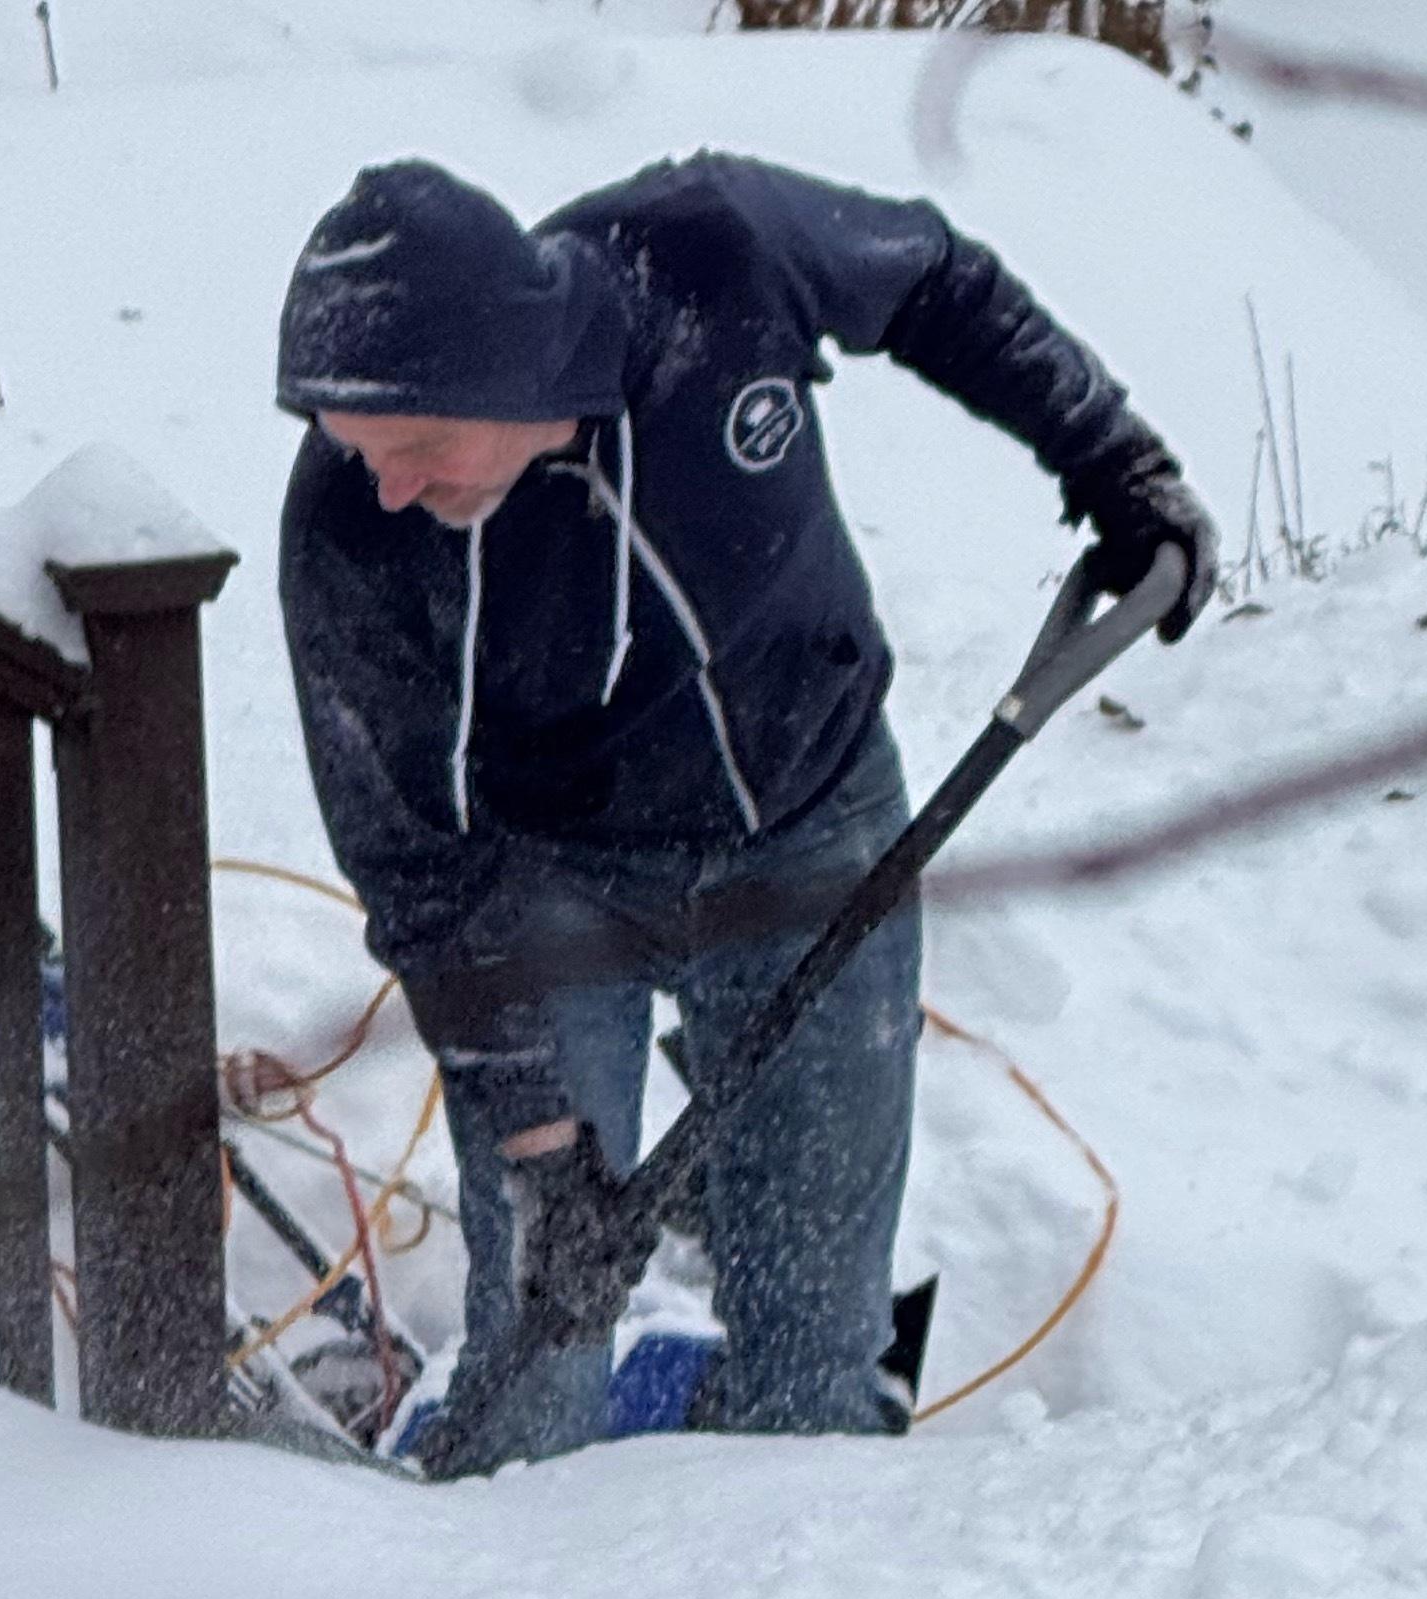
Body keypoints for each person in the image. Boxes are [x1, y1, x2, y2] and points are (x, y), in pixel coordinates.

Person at [276, 151, 1216, 1473]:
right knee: (544, 1337)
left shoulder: (709, 256)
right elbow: (415, 871)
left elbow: (940, 283)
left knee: (814, 1339)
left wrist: (1112, 459)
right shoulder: (353, 531)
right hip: (551, 883)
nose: (383, 486)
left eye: (413, 449)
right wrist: (545, 1149)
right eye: (352, 452)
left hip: (815, 820)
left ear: (503, 368)